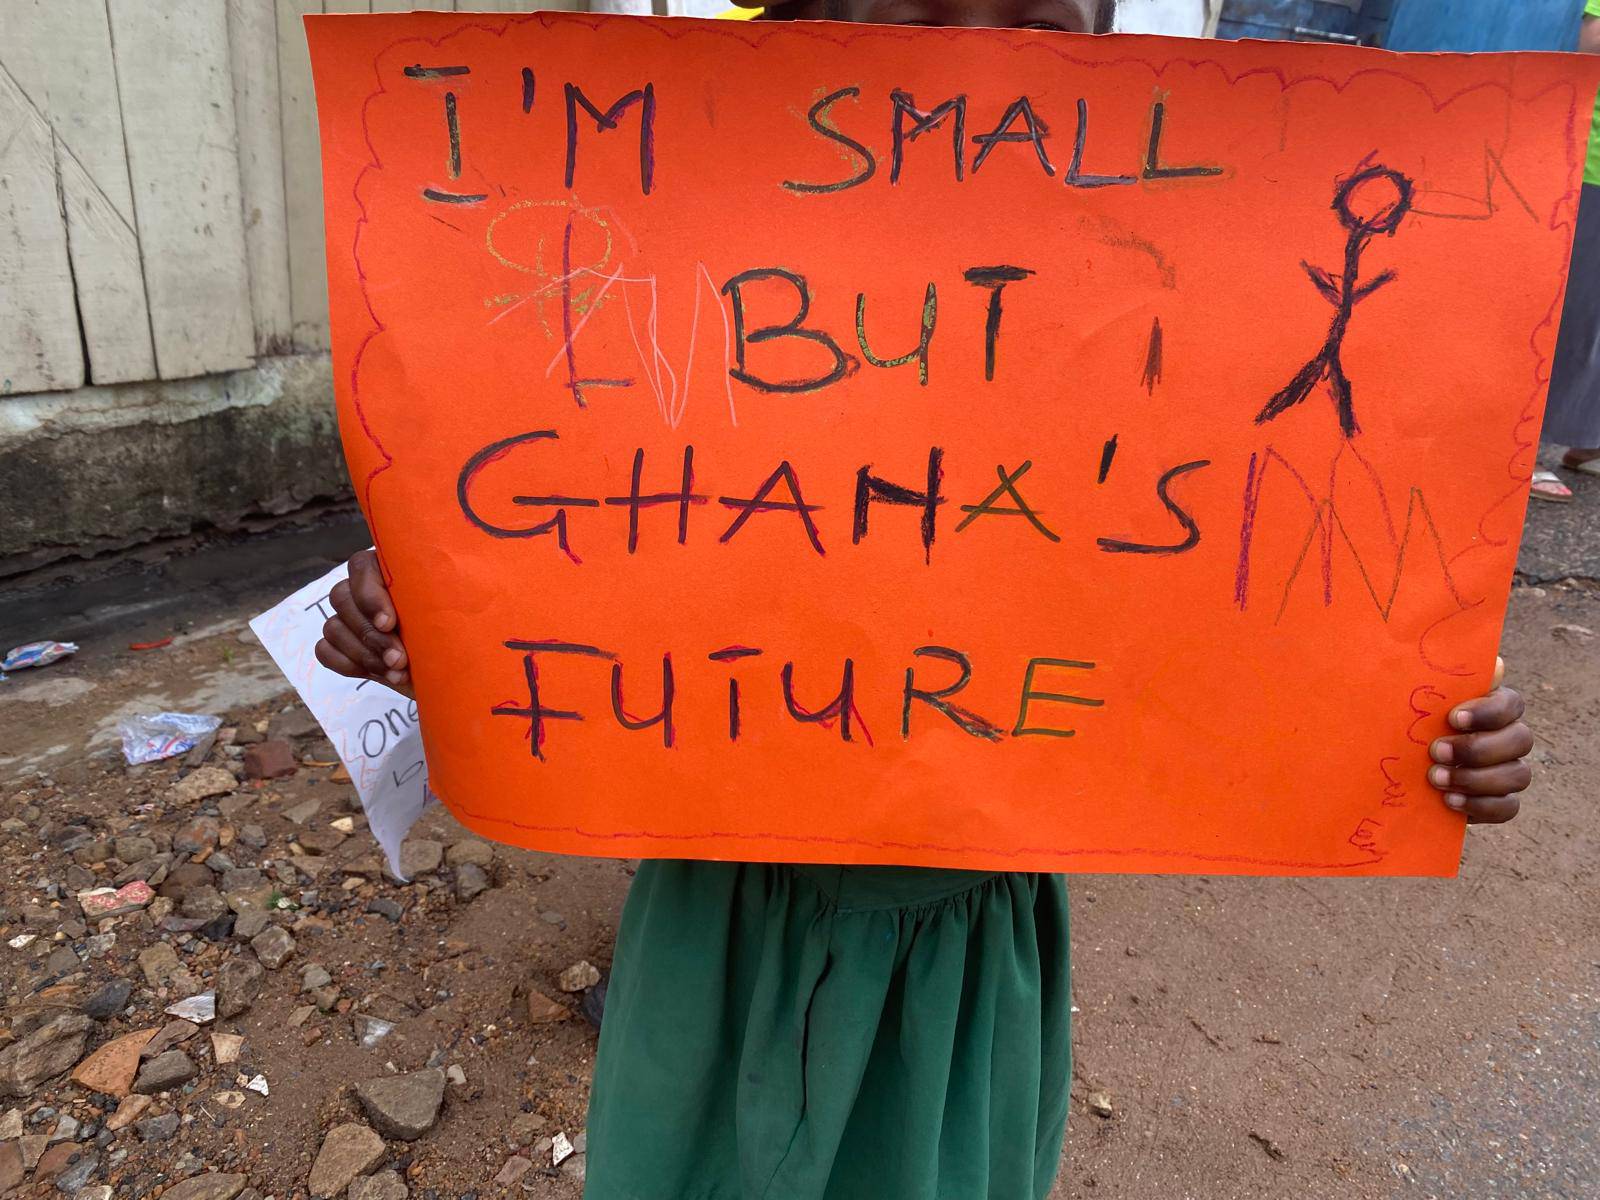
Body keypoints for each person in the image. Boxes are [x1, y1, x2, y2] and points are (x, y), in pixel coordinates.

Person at [315, 3, 1537, 1196]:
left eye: (1030, 25)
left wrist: (1423, 726)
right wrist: (420, 605)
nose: (963, 63)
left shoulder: (1148, 309)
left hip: (968, 931)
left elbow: (1276, 569)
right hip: (719, 907)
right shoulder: (686, 266)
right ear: (786, 37)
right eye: (896, 13)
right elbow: (559, 509)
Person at [1532, 0, 1600, 503]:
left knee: (1591, 318)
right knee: (1563, 315)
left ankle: (1586, 438)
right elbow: (1588, 42)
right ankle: (1521, 451)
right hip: (1590, 168)